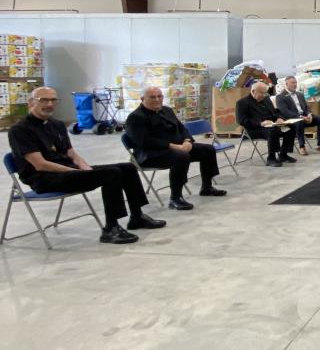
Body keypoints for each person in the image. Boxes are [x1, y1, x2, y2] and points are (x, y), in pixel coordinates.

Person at [7, 87, 165, 244]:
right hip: (44, 178)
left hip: (68, 172)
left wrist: (85, 169)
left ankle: (137, 217)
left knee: (127, 167)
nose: (49, 104)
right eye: (44, 100)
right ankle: (111, 229)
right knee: (112, 174)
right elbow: (40, 164)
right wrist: (74, 172)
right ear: (31, 102)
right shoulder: (20, 130)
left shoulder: (57, 125)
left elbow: (72, 154)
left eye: (53, 100)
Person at [124, 86, 225, 211]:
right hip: (151, 154)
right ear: (142, 99)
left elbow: (182, 128)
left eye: (160, 96)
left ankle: (207, 187)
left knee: (207, 150)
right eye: (153, 97)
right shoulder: (135, 117)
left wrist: (187, 141)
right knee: (181, 157)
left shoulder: (167, 110)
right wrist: (172, 146)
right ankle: (175, 198)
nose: (157, 99)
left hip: (177, 147)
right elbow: (144, 141)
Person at [236, 81, 296, 168]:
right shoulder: (242, 103)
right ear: (253, 91)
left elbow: (275, 112)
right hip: (254, 129)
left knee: (291, 127)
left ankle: (283, 154)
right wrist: (261, 123)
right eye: (262, 93)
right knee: (273, 131)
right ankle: (271, 158)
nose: (264, 95)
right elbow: (241, 120)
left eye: (265, 93)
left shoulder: (266, 99)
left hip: (271, 125)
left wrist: (279, 118)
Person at [276, 76, 320, 156]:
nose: (295, 85)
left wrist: (309, 115)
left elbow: (306, 107)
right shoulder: (280, 97)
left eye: (296, 83)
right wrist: (301, 117)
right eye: (293, 83)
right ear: (286, 84)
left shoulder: (299, 94)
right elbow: (285, 112)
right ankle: (302, 146)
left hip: (304, 117)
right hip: (292, 120)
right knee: (299, 122)